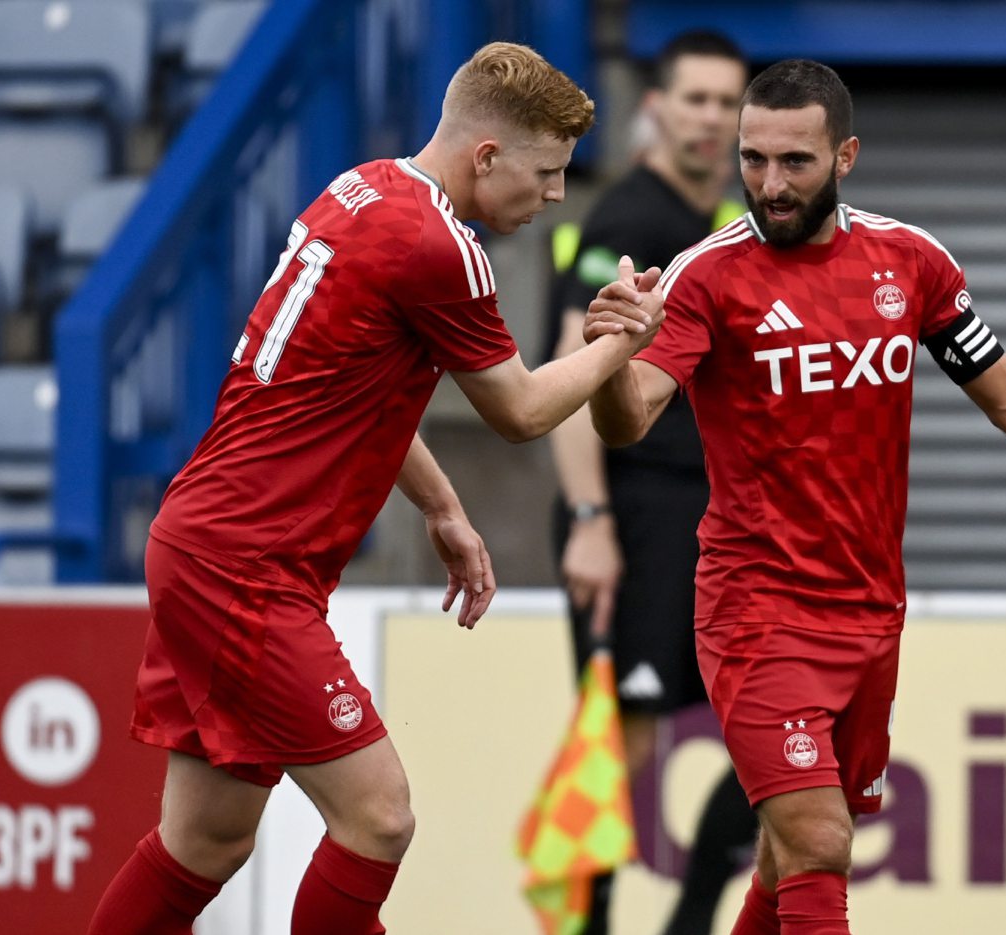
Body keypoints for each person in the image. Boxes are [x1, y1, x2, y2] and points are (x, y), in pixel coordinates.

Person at [586, 59, 1006, 935]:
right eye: (753, 160)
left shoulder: (910, 263)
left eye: (795, 161)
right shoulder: (706, 277)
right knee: (821, 841)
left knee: (783, 856)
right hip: (756, 607)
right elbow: (629, 418)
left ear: (847, 155)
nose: (769, 183)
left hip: (870, 612)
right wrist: (610, 354)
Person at [86, 42, 664, 935]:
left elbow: (350, 391)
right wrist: (624, 340)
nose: (555, 195)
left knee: (207, 838)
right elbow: (517, 410)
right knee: (379, 814)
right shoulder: (440, 246)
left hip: (207, 541)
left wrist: (439, 505)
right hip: (248, 565)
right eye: (547, 173)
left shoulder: (366, 190)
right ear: (487, 156)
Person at [545, 31, 757, 935]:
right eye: (696, 99)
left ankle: (692, 918)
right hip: (633, 511)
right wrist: (592, 519)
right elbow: (571, 366)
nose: (711, 119)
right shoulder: (631, 219)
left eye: (726, 103)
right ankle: (589, 925)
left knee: (771, 726)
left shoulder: (726, 226)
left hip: (708, 514)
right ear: (658, 106)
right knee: (622, 738)